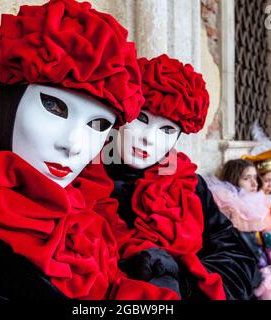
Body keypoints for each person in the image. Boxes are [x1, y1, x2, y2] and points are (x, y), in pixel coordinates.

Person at [0, 0, 178, 300]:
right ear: (7, 103)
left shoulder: (70, 202)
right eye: (54, 107)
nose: (72, 144)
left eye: (97, 124)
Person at [104, 55, 258, 300]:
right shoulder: (81, 177)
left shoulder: (190, 185)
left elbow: (236, 258)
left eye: (167, 130)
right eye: (142, 119)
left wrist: (184, 280)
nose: (149, 139)